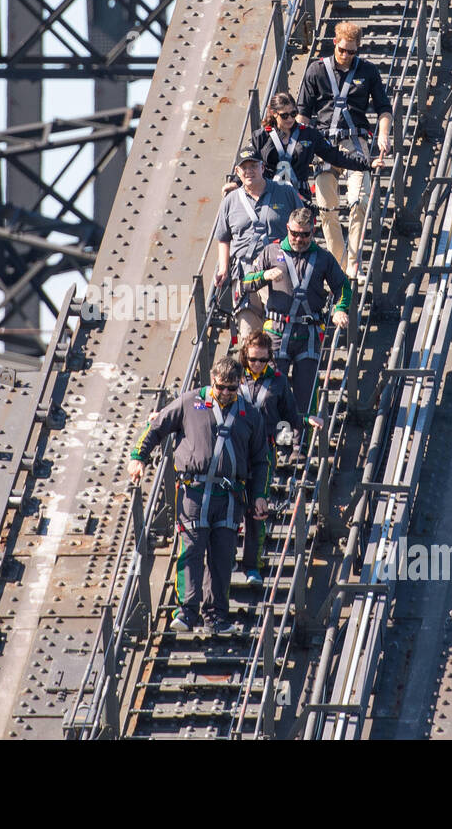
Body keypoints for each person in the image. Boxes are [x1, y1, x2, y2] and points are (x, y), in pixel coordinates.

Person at [128, 356, 271, 634]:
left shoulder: (251, 415)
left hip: (229, 497)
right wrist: (138, 458)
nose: (226, 393)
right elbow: (157, 428)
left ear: (240, 383)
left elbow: (260, 460)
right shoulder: (189, 402)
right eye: (221, 387)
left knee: (222, 556)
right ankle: (187, 612)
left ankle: (217, 616)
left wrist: (259, 496)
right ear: (212, 380)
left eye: (232, 388)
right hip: (193, 493)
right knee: (191, 552)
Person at [296, 20, 393, 276]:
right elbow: (303, 113)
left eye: (352, 51)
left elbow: (384, 108)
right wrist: (297, 145)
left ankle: (353, 264)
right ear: (335, 43)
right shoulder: (316, 71)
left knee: (359, 201)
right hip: (324, 144)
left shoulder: (368, 71)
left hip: (355, 141)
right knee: (327, 209)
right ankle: (339, 268)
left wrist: (383, 134)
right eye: (343, 50)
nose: (347, 56)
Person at [241, 208, 351, 418]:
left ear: (313, 231)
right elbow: (245, 283)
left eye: (305, 234)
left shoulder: (323, 257)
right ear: (287, 229)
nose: (299, 239)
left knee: (307, 397)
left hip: (308, 334)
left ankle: (300, 450)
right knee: (269, 394)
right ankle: (272, 446)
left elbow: (343, 287)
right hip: (276, 333)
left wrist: (339, 310)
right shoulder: (270, 253)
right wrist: (264, 275)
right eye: (294, 233)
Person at [235, 331, 324, 586]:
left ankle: (253, 567)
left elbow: (290, 414)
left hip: (263, 452)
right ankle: (229, 557)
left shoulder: (278, 381)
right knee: (230, 508)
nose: (257, 365)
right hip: (235, 450)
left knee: (258, 510)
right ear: (245, 355)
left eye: (263, 360)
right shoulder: (234, 377)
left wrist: (306, 421)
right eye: (253, 359)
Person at [212, 147, 303, 338]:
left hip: (278, 270)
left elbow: (303, 225)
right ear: (237, 172)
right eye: (244, 167)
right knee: (249, 337)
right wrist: (223, 269)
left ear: (262, 167)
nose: (249, 171)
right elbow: (223, 238)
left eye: (253, 165)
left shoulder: (285, 192)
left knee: (278, 332)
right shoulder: (230, 201)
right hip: (245, 273)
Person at [223, 92, 370, 205]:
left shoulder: (309, 133)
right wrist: (236, 182)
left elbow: (334, 156)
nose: (290, 119)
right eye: (284, 115)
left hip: (299, 196)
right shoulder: (261, 136)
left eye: (293, 114)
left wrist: (366, 164)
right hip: (268, 195)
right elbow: (248, 161)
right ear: (274, 114)